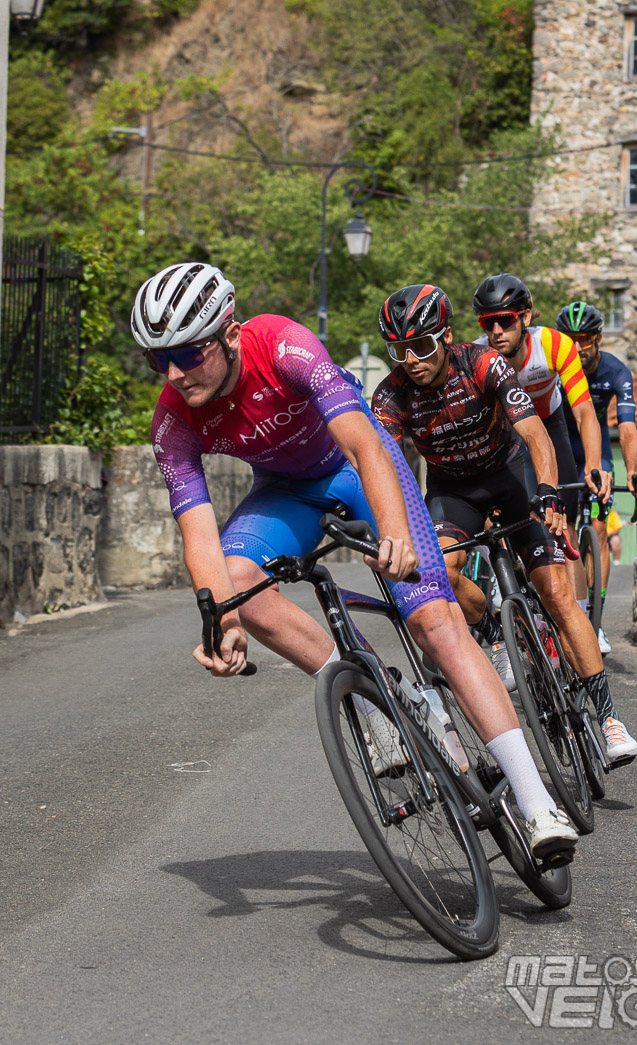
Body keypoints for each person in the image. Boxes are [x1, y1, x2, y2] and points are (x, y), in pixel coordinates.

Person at [132, 261, 578, 856]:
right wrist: (223, 621)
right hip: (286, 491)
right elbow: (199, 533)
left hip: (358, 467)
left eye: (187, 354)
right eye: (155, 358)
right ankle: (378, 691)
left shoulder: (283, 344)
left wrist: (393, 532)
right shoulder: (173, 419)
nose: (172, 372)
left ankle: (536, 802)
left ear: (229, 334)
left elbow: (366, 444)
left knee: (435, 624)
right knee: (238, 584)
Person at [372, 283, 637, 765]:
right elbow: (381, 465)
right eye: (399, 350)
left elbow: (536, 433)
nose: (410, 359)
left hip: (511, 476)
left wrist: (550, 494)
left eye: (422, 346)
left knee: (557, 593)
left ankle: (607, 718)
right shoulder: (391, 395)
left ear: (445, 336)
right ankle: (496, 630)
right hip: (453, 492)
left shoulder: (481, 363)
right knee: (444, 574)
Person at [470, 273, 609, 607]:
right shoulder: (477, 357)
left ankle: (578, 615)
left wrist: (591, 465)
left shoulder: (554, 344)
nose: (496, 332)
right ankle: (513, 590)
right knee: (509, 513)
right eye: (487, 324)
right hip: (509, 431)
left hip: (550, 421)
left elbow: (585, 413)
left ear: (526, 317)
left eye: (504, 320)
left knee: (564, 523)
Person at [556, 301, 637, 654]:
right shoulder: (554, 370)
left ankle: (595, 621)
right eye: (570, 339)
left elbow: (627, 428)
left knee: (596, 528)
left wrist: (635, 471)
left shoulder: (615, 371)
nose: (578, 348)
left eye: (584, 339)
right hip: (562, 449)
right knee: (557, 527)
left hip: (599, 455)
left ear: (597, 338)